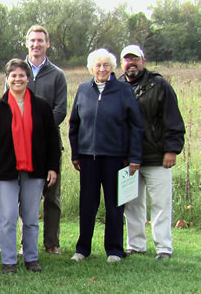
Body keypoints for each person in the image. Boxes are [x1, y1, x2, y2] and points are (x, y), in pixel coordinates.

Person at [0, 59, 60, 274]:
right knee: (7, 218)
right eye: (13, 75)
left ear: (28, 78)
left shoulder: (41, 106)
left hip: (34, 171)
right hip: (5, 172)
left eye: (21, 75)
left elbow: (53, 139)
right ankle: (9, 261)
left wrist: (53, 167)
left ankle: (31, 258)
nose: (17, 79)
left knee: (31, 218)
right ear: (7, 79)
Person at [69, 48, 144, 263]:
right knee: (87, 204)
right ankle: (82, 249)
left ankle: (114, 250)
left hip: (115, 158)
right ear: (91, 68)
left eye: (106, 65)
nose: (102, 69)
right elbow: (75, 124)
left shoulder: (123, 90)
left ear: (112, 68)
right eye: (98, 65)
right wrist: (76, 153)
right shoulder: (83, 89)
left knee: (114, 205)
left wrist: (135, 157)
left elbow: (136, 126)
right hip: (88, 159)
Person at [119, 45, 185, 259]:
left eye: (135, 59)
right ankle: (136, 244)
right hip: (128, 158)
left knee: (160, 204)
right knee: (132, 204)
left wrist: (172, 150)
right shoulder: (117, 86)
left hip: (157, 156)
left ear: (143, 61)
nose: (132, 63)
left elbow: (173, 119)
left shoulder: (159, 85)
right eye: (127, 60)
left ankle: (164, 247)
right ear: (122, 64)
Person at [20, 25, 67, 255]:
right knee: (24, 195)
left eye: (40, 40)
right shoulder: (18, 71)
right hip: (21, 144)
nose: (36, 44)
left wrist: (39, 129)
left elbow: (61, 110)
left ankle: (51, 243)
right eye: (32, 40)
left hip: (48, 144)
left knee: (51, 195)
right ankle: (25, 243)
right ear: (27, 43)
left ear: (47, 44)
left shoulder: (57, 74)